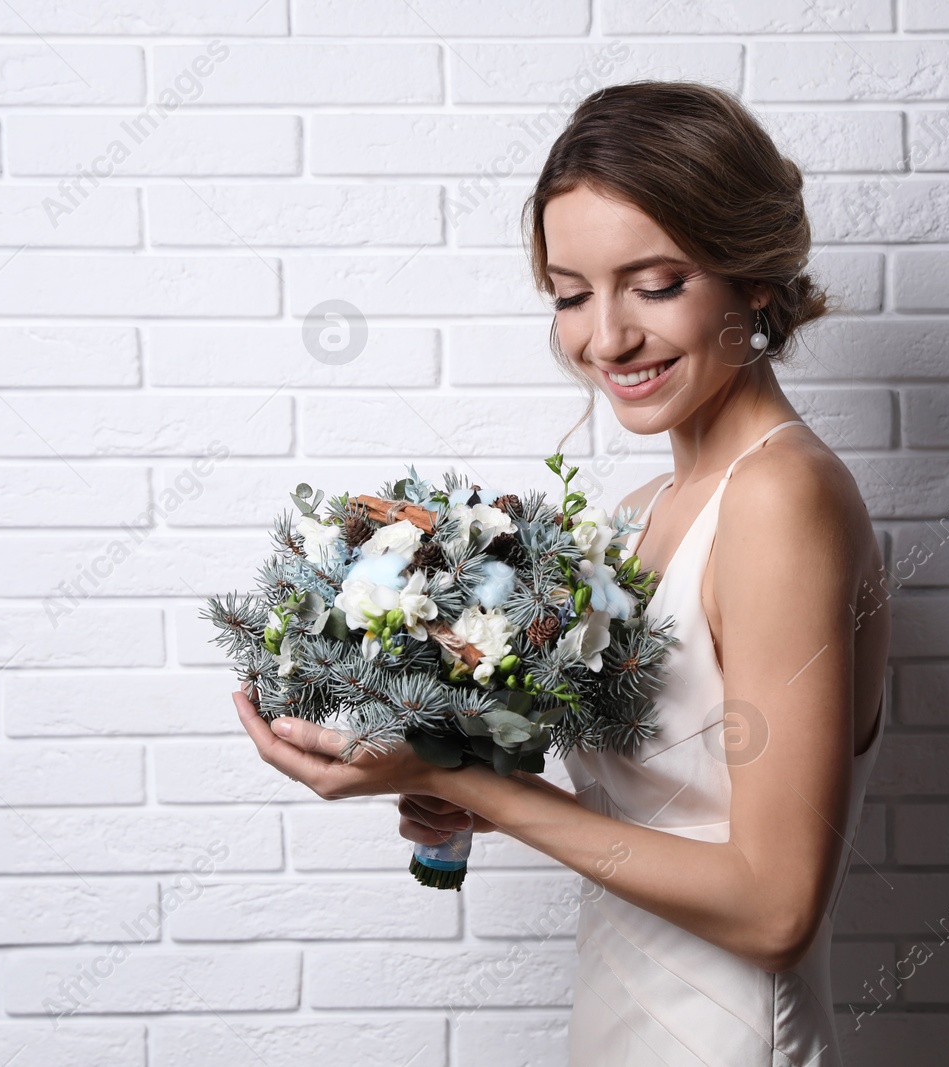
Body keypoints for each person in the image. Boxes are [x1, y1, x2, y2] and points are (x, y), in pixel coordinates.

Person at [234, 80, 890, 1066]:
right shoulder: (636, 519)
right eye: (572, 293)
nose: (607, 337)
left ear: (753, 276)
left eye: (656, 282)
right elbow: (661, 821)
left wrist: (474, 784)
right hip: (623, 1019)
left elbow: (775, 905)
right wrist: (458, 774)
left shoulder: (780, 497)